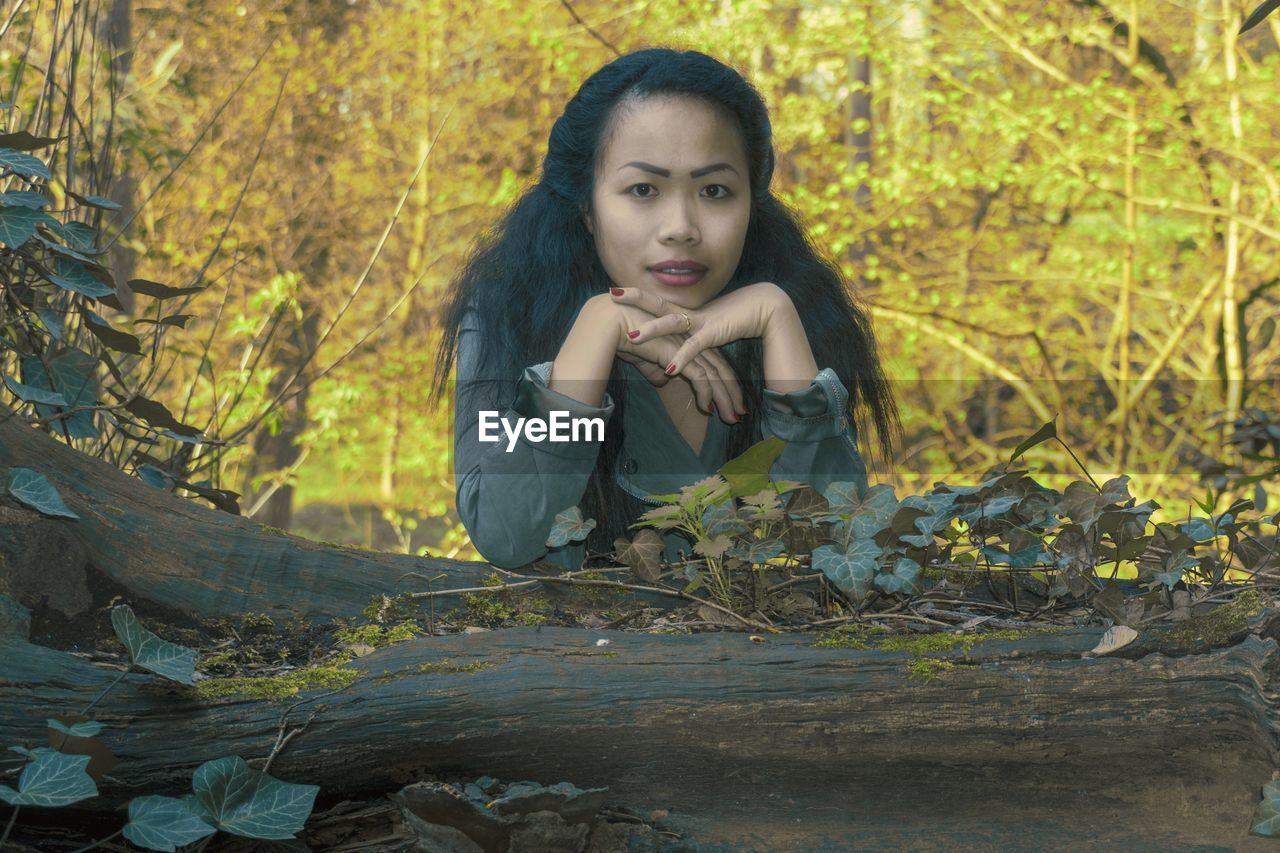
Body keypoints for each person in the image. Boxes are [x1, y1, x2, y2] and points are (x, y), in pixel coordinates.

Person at [431, 48, 899, 570]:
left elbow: (834, 541)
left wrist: (779, 320)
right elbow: (506, 536)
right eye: (643, 189)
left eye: (716, 190)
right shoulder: (506, 315)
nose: (681, 226)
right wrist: (595, 332)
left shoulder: (802, 314)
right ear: (587, 208)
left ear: (751, 204)